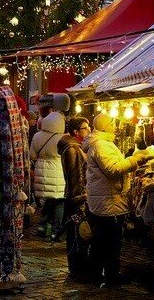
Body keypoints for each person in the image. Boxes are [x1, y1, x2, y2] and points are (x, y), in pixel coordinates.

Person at [83, 112, 154, 288]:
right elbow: (113, 169)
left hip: (106, 199)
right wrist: (134, 160)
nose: (115, 127)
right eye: (112, 124)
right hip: (109, 201)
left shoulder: (100, 144)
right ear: (105, 127)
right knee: (110, 241)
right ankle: (110, 275)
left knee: (103, 240)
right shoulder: (101, 145)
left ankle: (98, 273)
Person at [29, 95, 67, 239]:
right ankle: (56, 230)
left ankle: (42, 226)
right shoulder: (62, 138)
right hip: (58, 171)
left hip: (41, 172)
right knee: (58, 202)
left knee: (47, 201)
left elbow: (32, 155)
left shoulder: (37, 136)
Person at [58, 116, 90, 279]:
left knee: (76, 233)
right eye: (85, 128)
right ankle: (78, 269)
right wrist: (80, 198)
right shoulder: (73, 148)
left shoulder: (75, 147)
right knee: (78, 233)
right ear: (76, 131)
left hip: (72, 196)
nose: (89, 131)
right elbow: (76, 176)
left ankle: (77, 267)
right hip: (76, 198)